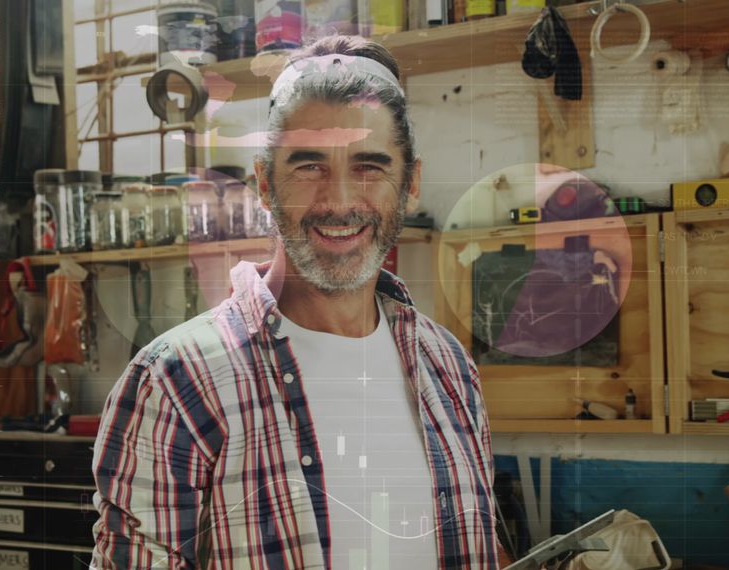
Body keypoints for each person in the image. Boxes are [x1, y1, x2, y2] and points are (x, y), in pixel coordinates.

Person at [90, 35, 497, 569]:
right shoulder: (177, 384)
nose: (339, 201)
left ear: (411, 183)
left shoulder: (449, 368)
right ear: (264, 182)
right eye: (309, 167)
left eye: (370, 166)